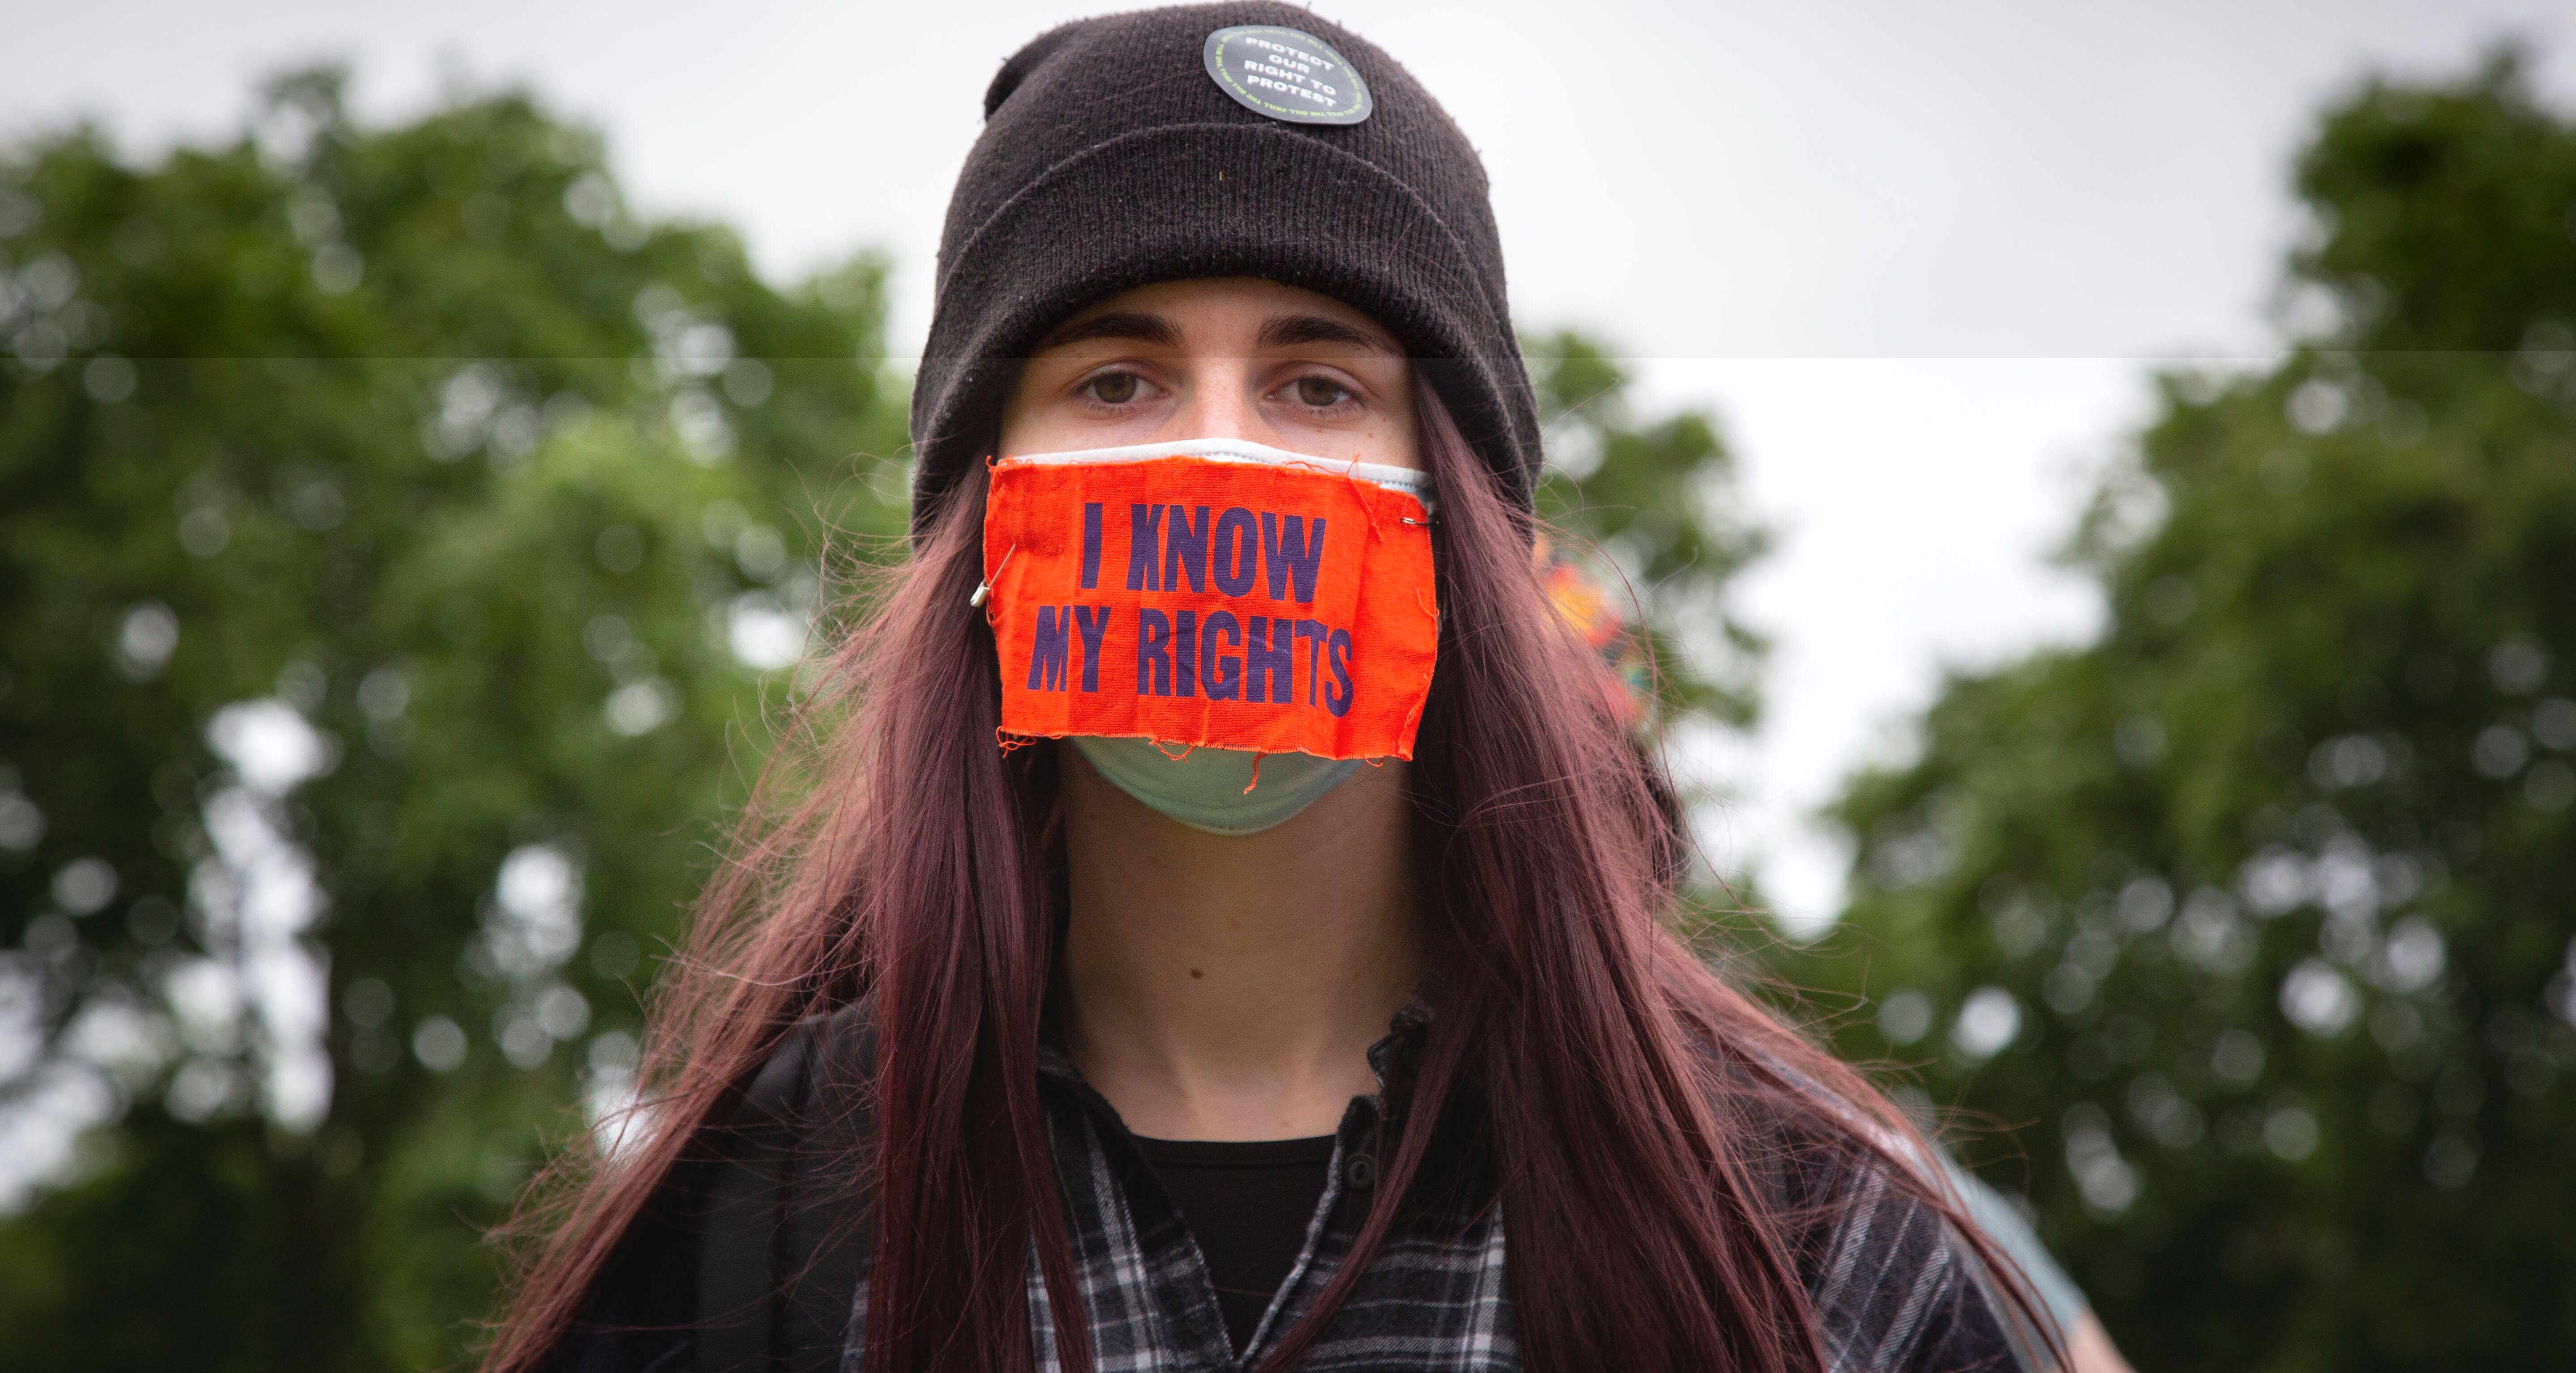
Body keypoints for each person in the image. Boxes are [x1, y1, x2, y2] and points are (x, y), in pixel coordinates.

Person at [482, 6, 2104, 1371]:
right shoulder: (753, 1233)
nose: (1223, 452)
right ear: (985, 521)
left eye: (1319, 383)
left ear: (1463, 530)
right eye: (1118, 378)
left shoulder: (1800, 1236)